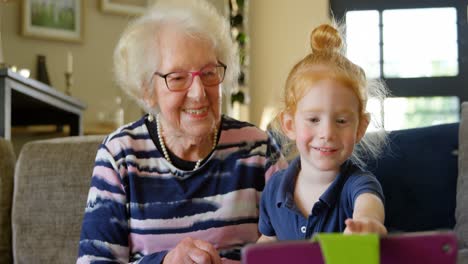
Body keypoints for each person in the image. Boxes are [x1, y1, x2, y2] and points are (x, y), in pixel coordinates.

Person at [76, 0, 287, 263]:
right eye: (177, 78)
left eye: (209, 73)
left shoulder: (258, 149)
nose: (199, 93)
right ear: (147, 89)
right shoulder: (120, 155)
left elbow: (297, 246)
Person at [257, 23, 388, 243]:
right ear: (290, 125)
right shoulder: (275, 188)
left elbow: (369, 209)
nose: (327, 132)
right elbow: (266, 244)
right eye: (314, 119)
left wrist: (367, 226)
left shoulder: (358, 184)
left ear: (360, 128)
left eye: (341, 121)